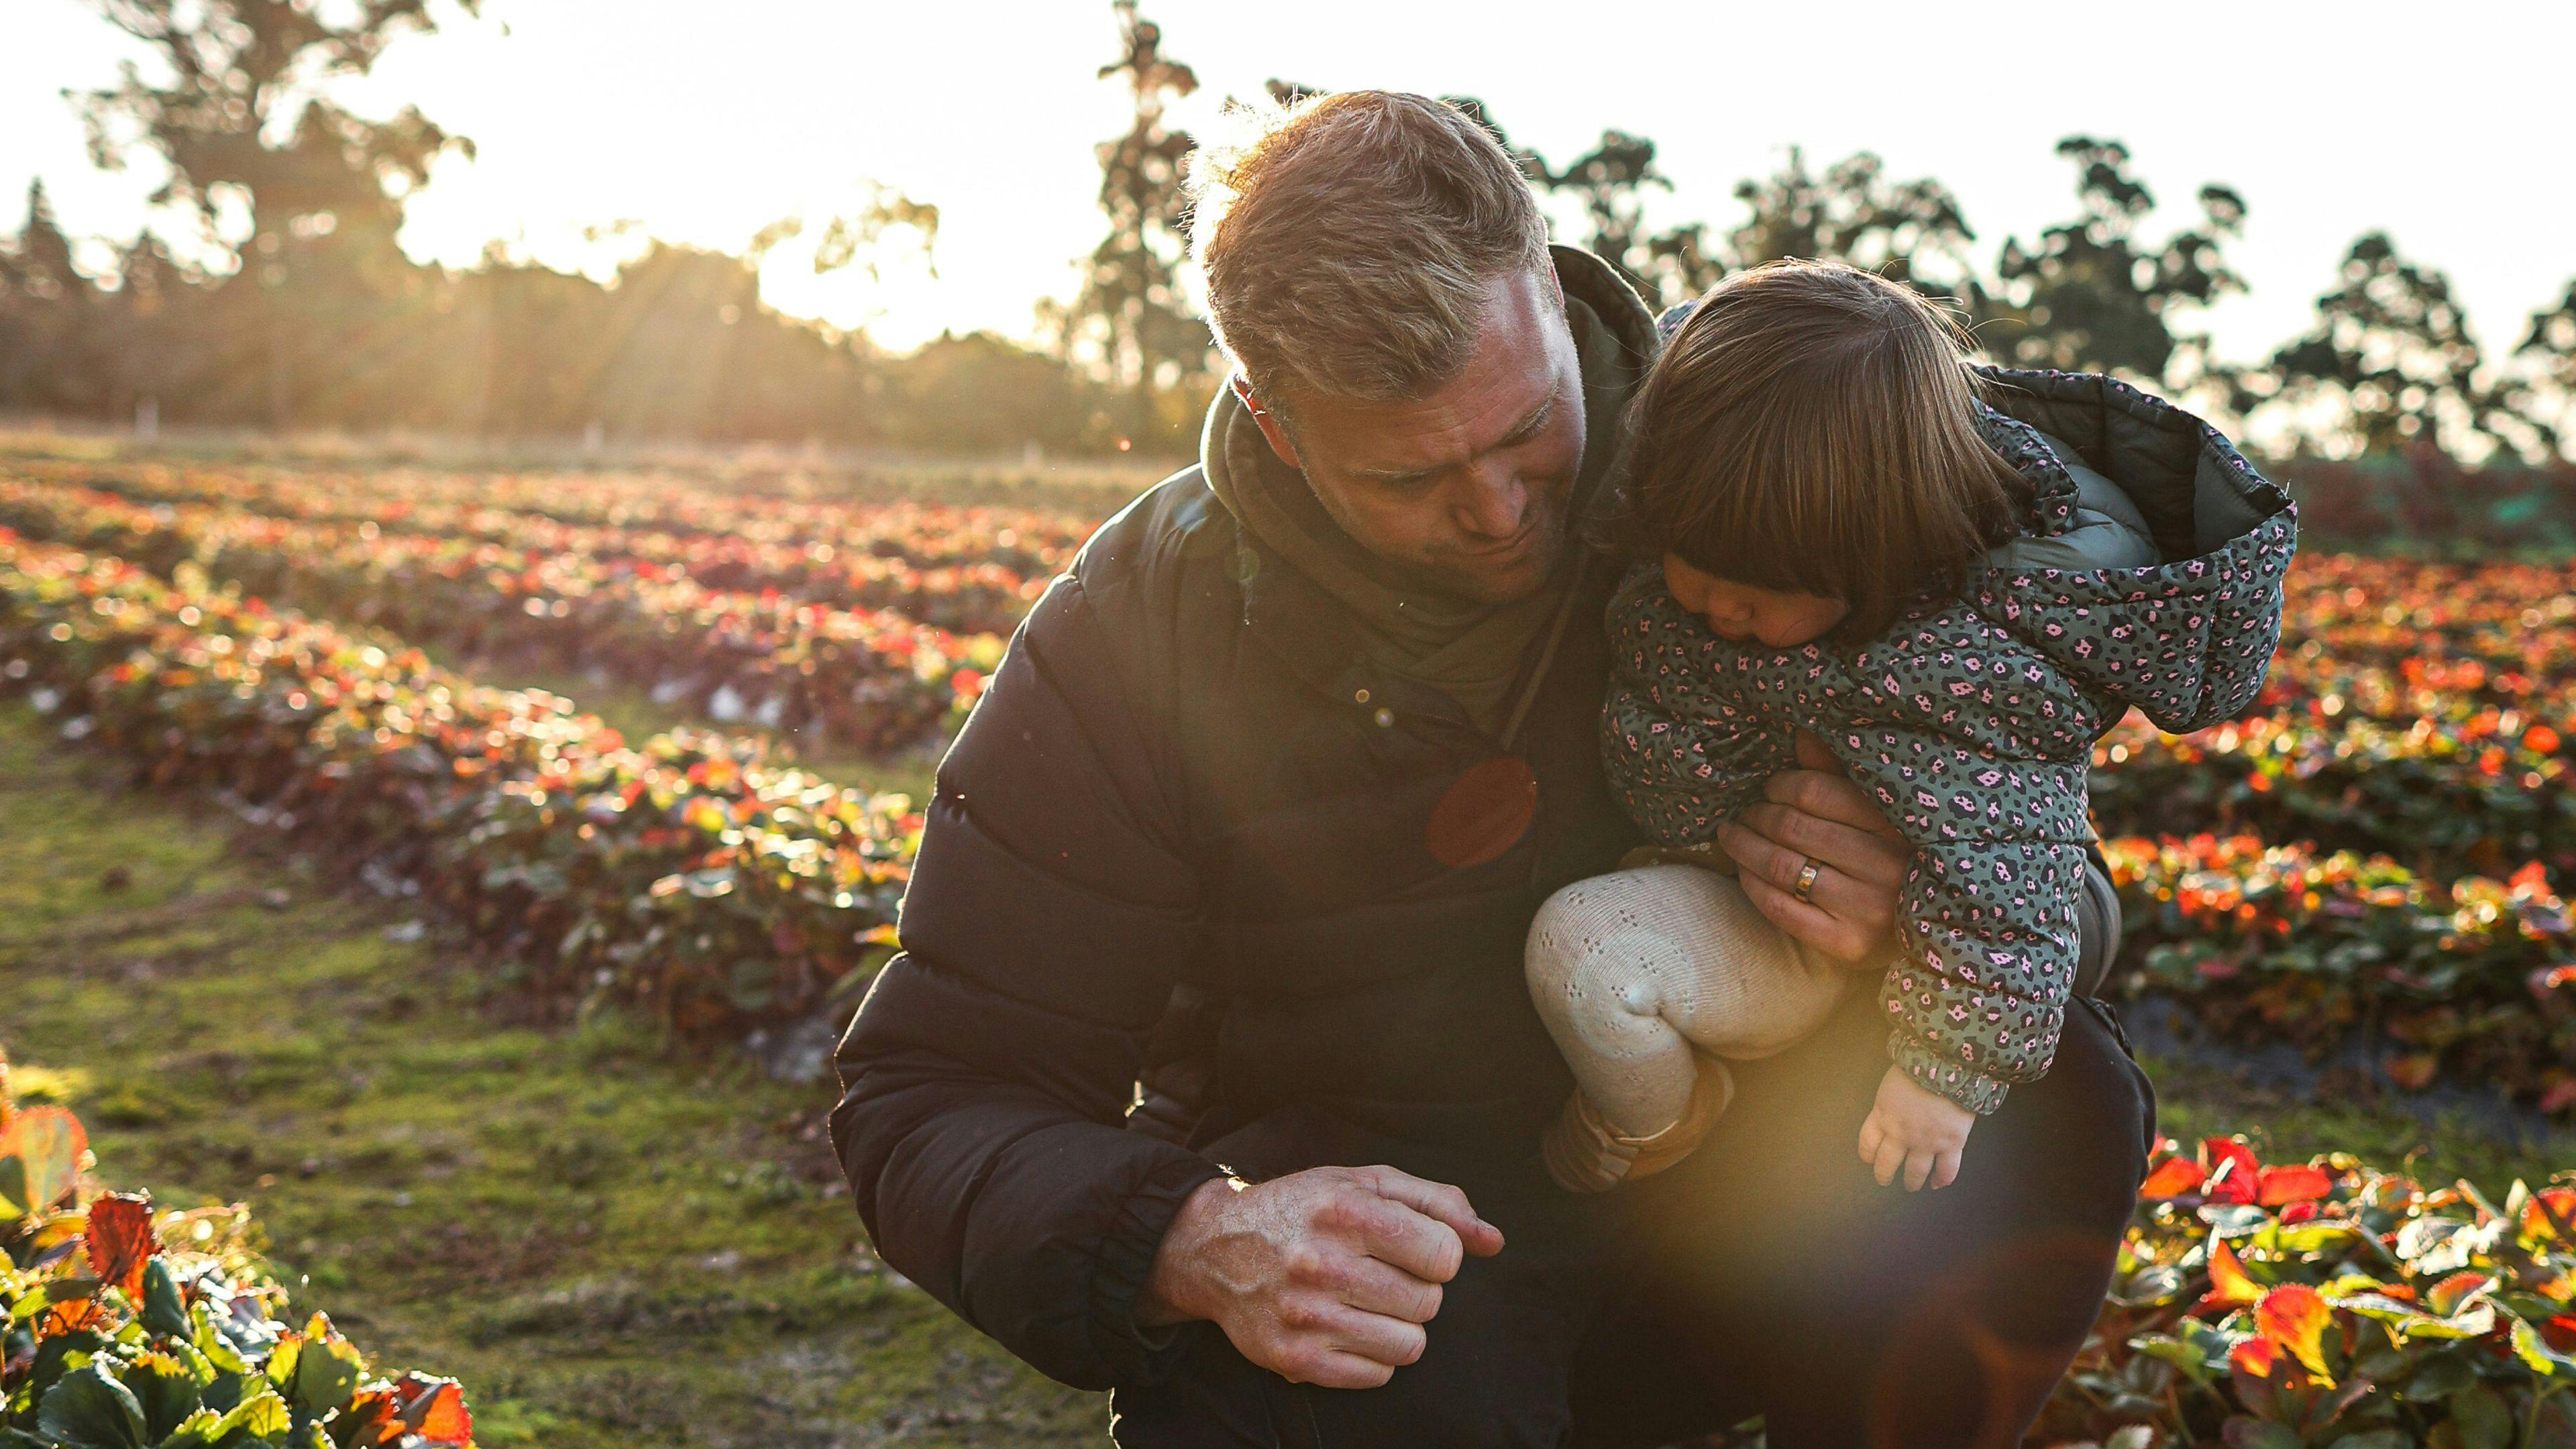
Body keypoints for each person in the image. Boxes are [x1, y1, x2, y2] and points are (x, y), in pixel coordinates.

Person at [829, 89, 2153, 1448]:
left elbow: (2058, 883)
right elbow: (934, 1092)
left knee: (2048, 1098)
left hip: (1742, 1174)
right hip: (1402, 1228)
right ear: (1275, 422)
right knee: (1345, 1368)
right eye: (1410, 480)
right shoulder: (1140, 623)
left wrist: (1894, 907)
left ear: (1552, 298)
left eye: (1529, 431)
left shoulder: (1764, 457)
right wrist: (1190, 1236)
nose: (1501, 511)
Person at [1527, 262, 2296, 1198]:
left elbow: (2011, 880)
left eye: (1765, 591)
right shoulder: (1689, 503)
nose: (1720, 606)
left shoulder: (1959, 676)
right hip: (1698, 881)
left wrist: (1942, 1077)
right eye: (1693, 561)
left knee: (1585, 958)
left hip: (1809, 954)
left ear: (1881, 559)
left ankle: (1640, 1133)